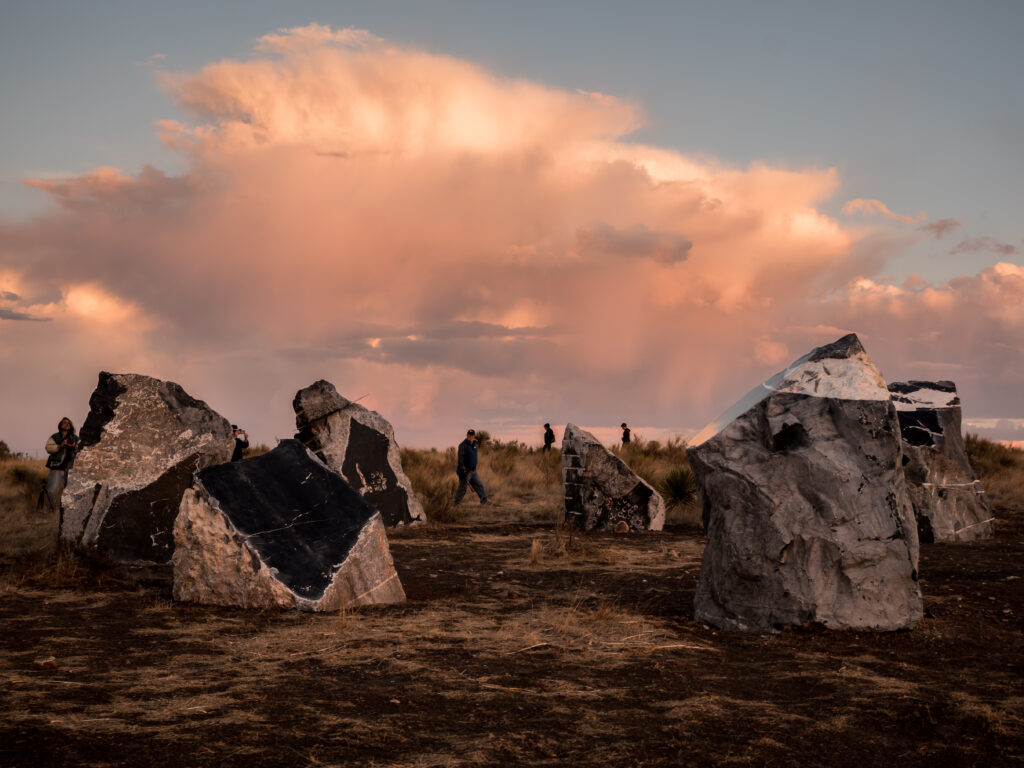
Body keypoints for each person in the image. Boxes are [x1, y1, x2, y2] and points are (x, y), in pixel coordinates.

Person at [43, 417, 78, 512]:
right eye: (64, 423)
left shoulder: (75, 438)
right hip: (57, 467)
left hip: (71, 469)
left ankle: (69, 512)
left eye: (68, 423)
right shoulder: (55, 437)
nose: (66, 424)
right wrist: (60, 445)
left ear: (70, 426)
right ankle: (50, 510)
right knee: (52, 490)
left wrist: (74, 447)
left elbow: (81, 450)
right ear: (60, 425)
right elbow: (48, 448)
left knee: (71, 491)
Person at [454, 429, 488, 505]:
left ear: (474, 436)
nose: (470, 436)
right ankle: (456, 503)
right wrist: (462, 467)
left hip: (473, 471)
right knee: (462, 488)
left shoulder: (475, 445)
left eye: (472, 435)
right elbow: (460, 457)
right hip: (465, 471)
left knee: (479, 485)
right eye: (469, 435)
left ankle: (484, 501)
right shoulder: (463, 445)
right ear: (467, 435)